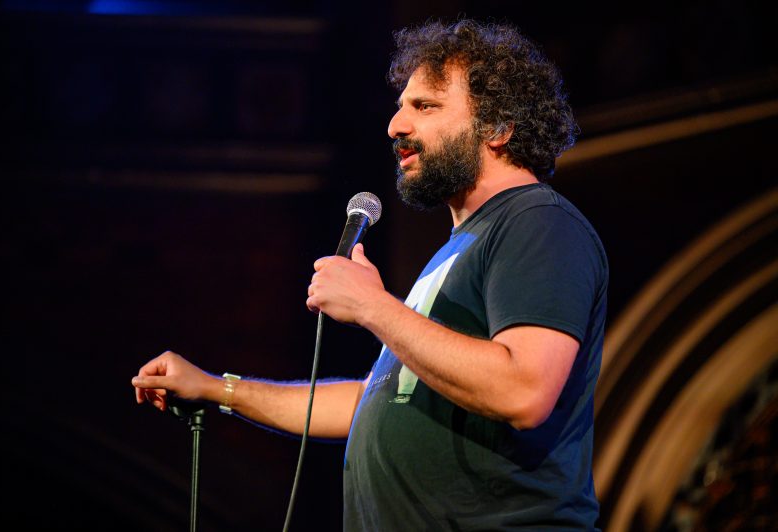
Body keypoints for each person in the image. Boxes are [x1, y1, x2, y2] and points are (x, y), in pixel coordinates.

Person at [133, 18, 607, 530]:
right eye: (401, 105)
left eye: (425, 106)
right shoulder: (459, 249)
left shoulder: (537, 222)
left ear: (498, 128)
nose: (395, 125)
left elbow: (524, 390)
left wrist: (372, 306)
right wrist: (217, 389)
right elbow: (373, 397)